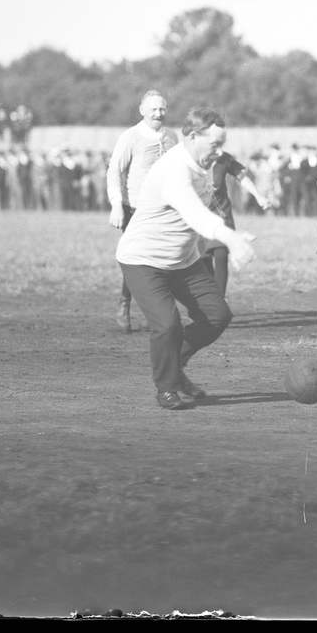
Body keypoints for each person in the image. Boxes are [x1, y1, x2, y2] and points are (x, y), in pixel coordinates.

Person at [116, 107, 256, 410]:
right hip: (142, 260)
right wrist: (231, 238)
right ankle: (166, 387)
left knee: (218, 315)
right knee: (168, 324)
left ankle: (174, 366)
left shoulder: (203, 164)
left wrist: (229, 238)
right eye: (215, 144)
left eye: (223, 144)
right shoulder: (174, 169)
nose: (220, 152)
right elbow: (195, 213)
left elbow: (207, 213)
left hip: (183, 261)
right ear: (193, 137)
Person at [107, 90, 178, 332]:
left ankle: (154, 310)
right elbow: (114, 171)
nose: (159, 114)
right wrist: (116, 204)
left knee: (162, 260)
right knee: (137, 258)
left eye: (162, 109)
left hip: (165, 208)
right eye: (154, 109)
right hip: (135, 207)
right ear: (142, 110)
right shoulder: (130, 137)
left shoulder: (171, 136)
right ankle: (125, 303)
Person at [202, 150, 270, 297]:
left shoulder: (224, 159)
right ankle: (210, 300)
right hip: (200, 214)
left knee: (220, 255)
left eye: (222, 143)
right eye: (216, 143)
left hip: (222, 213)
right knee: (203, 259)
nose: (219, 149)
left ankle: (220, 300)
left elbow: (243, 179)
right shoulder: (191, 157)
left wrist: (258, 196)